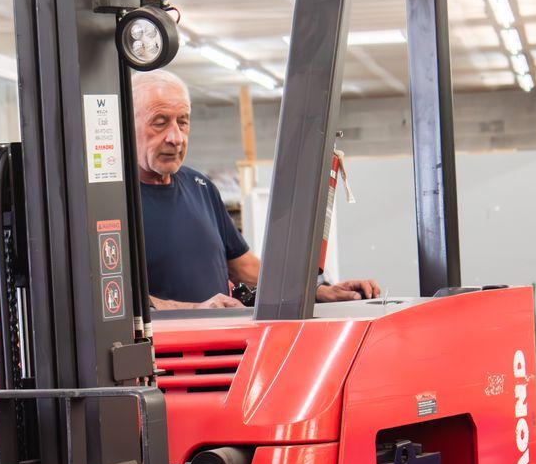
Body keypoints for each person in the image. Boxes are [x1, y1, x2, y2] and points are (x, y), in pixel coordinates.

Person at [133, 70, 381, 310]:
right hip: (161, 349)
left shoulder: (200, 186)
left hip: (218, 342)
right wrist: (196, 309)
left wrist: (317, 290)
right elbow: (113, 303)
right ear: (126, 124)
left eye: (183, 122)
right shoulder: (112, 203)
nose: (175, 137)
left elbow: (245, 268)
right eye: (160, 123)